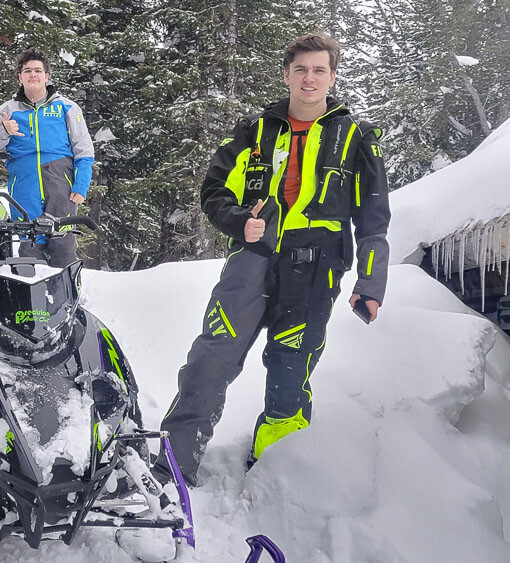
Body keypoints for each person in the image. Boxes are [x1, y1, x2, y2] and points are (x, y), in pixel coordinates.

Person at [152, 33, 391, 487]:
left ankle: (276, 477)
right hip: (253, 257)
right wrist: (240, 221)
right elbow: (213, 190)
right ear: (286, 75)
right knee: (211, 355)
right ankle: (170, 469)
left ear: (332, 77)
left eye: (319, 70)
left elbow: (374, 220)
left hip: (316, 267)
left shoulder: (357, 137)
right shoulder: (255, 129)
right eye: (300, 69)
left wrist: (371, 283)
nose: (309, 78)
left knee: (290, 364)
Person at [0, 48, 94, 267]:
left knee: (62, 241)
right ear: (19, 77)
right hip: (24, 184)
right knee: (29, 242)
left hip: (61, 181)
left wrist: (80, 185)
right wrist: (4, 131)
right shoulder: (7, 110)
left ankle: (67, 295)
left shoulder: (67, 107)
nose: (33, 75)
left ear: (47, 76)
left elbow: (84, 149)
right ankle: (31, 299)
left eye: (38, 71)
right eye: (27, 71)